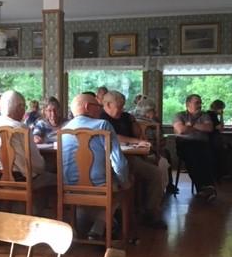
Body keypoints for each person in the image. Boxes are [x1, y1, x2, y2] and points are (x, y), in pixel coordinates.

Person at [62, 93, 131, 239]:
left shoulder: (64, 130)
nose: (100, 110)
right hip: (99, 186)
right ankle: (100, 227)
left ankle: (81, 227)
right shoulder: (102, 125)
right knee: (124, 183)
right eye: (97, 106)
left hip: (69, 186)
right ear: (87, 107)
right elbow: (119, 162)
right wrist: (124, 182)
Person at [100, 91, 167, 229]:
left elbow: (139, 135)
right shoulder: (100, 119)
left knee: (156, 172)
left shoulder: (125, 116)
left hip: (130, 157)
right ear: (107, 105)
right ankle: (120, 213)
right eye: (119, 106)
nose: (122, 110)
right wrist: (135, 140)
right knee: (152, 173)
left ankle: (150, 211)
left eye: (123, 106)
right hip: (109, 161)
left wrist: (134, 122)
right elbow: (113, 137)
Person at [0, 90, 55, 189]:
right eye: (24, 107)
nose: (24, 111)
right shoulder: (21, 128)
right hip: (20, 180)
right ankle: (37, 205)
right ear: (19, 107)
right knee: (57, 179)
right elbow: (37, 164)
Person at [173, 94, 217, 202]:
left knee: (205, 154)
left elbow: (209, 128)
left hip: (202, 145)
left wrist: (190, 126)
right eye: (197, 102)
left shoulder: (205, 115)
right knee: (193, 153)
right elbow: (181, 130)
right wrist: (198, 127)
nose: (200, 105)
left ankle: (205, 188)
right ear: (188, 104)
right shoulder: (180, 115)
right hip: (185, 144)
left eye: (200, 102)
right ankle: (206, 187)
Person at [134, 97, 177, 194]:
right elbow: (160, 141)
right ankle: (168, 185)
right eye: (154, 110)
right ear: (148, 112)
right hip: (151, 151)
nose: (156, 112)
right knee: (166, 153)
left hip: (134, 152)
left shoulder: (131, 120)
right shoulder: (153, 123)